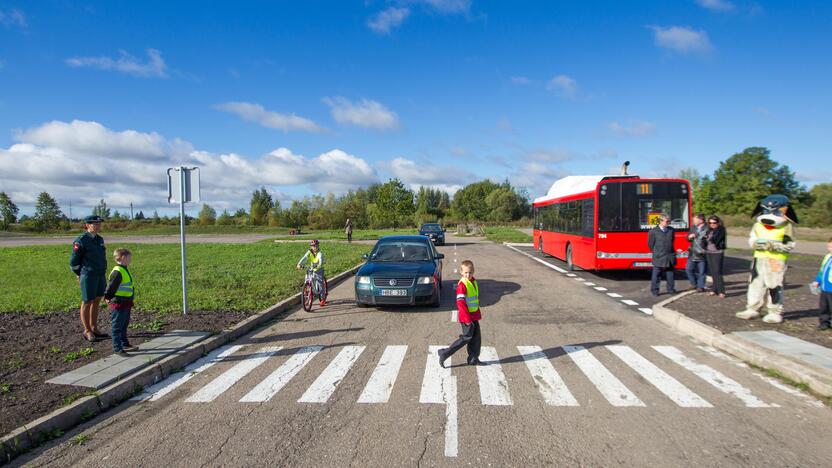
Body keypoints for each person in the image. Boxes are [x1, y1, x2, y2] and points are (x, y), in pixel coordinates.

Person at [70, 215, 108, 342]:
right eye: (94, 224)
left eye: (99, 224)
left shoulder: (99, 239)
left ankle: (94, 327)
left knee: (97, 300)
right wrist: (79, 273)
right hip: (88, 274)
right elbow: (74, 261)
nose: (97, 226)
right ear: (87, 225)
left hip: (99, 273)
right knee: (87, 301)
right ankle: (87, 330)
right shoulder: (81, 240)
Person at [438, 260, 482, 367]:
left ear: (473, 271)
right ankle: (444, 353)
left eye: (470, 272)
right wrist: (467, 320)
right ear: (461, 272)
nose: (468, 275)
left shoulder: (473, 281)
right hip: (466, 317)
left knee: (476, 337)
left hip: (473, 315)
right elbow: (461, 304)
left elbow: (474, 299)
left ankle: (473, 359)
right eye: (466, 272)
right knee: (466, 338)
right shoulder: (462, 285)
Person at [104, 248, 137, 356]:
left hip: (126, 302)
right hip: (118, 302)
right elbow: (111, 287)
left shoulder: (124, 269)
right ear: (123, 257)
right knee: (117, 326)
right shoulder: (118, 271)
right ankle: (117, 348)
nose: (130, 259)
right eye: (129, 257)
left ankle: (124, 344)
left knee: (124, 324)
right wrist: (107, 296)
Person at [647, 214, 676, 296]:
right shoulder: (653, 231)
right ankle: (655, 291)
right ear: (661, 221)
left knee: (670, 274)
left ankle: (671, 290)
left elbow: (672, 241)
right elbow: (650, 244)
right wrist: (657, 252)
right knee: (656, 275)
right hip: (659, 256)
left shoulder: (671, 230)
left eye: (669, 221)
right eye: (667, 221)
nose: (668, 223)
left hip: (669, 256)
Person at [297, 239, 327, 306]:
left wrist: (317, 267)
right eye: (313, 246)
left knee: (320, 283)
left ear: (318, 246)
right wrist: (299, 264)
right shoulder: (309, 252)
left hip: (319, 269)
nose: (315, 247)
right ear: (311, 247)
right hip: (311, 268)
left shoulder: (320, 253)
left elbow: (320, 262)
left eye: (316, 246)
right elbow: (304, 258)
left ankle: (323, 299)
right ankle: (307, 294)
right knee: (307, 279)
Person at [705, 215, 727, 298]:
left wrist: (708, 237)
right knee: (712, 272)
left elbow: (716, 239)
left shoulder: (721, 229)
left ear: (718, 222)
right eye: (710, 223)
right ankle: (714, 289)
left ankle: (721, 291)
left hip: (717, 252)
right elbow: (705, 240)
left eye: (714, 223)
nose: (712, 224)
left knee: (717, 272)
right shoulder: (709, 230)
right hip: (709, 252)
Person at [812, 238, 832, 330]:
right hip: (825, 288)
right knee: (824, 307)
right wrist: (817, 281)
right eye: (829, 246)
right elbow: (822, 271)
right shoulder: (828, 257)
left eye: (831, 246)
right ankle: (824, 322)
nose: (829, 248)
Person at [686, 214, 708, 292]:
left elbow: (711, 241)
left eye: (695, 220)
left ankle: (700, 286)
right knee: (689, 269)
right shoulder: (693, 227)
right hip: (692, 252)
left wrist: (706, 239)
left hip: (702, 253)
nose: (693, 221)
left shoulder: (707, 228)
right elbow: (687, 238)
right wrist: (689, 237)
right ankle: (694, 284)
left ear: (701, 220)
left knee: (702, 271)